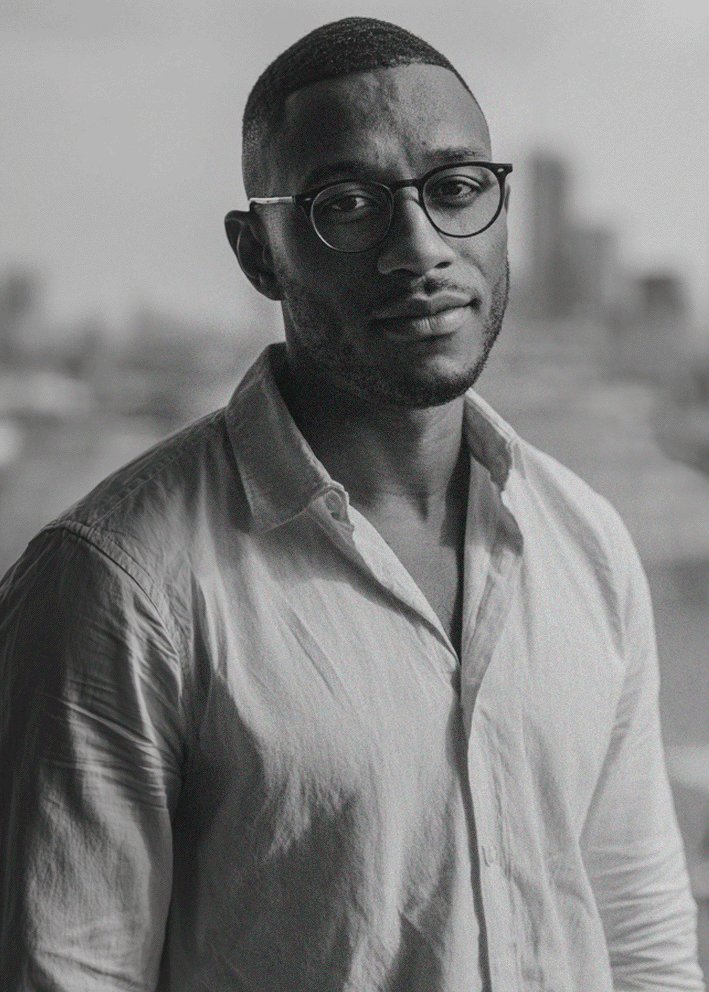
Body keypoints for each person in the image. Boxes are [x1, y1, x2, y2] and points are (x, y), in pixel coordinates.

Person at [0, 15, 704, 992]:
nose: (419, 248)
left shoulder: (584, 540)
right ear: (258, 252)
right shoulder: (117, 585)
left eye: (456, 188)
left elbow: (641, 940)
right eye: (347, 205)